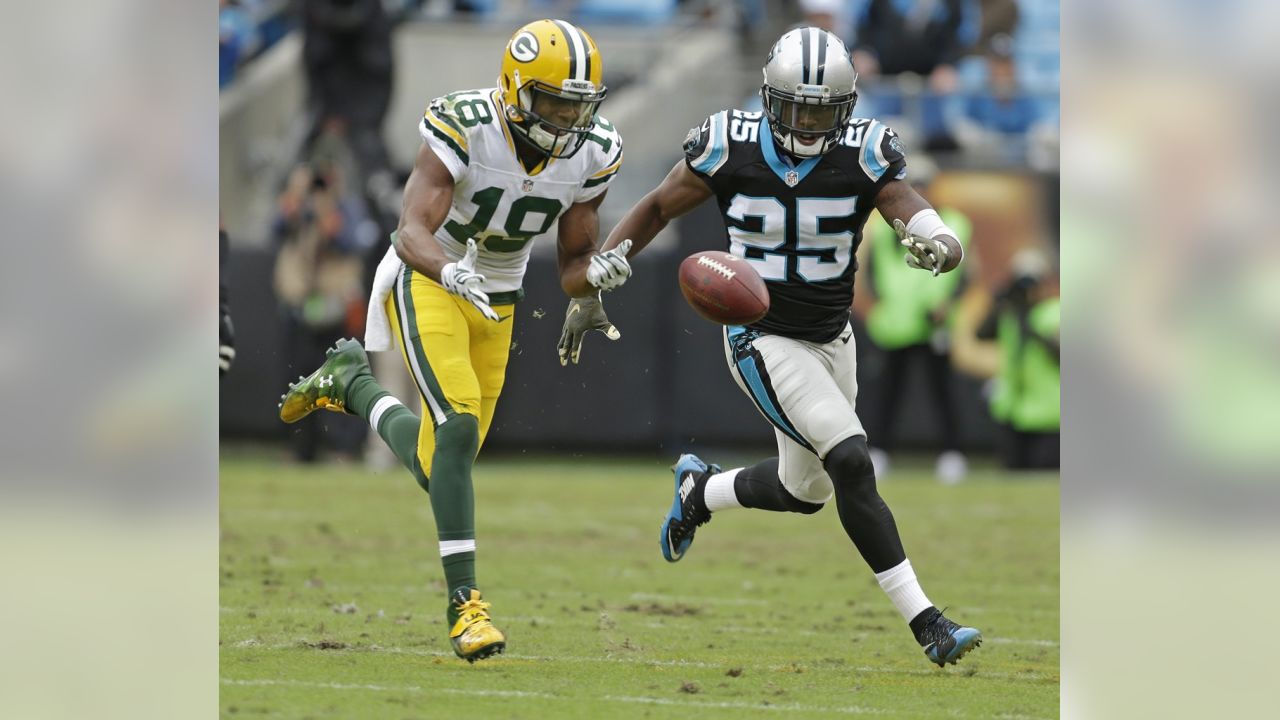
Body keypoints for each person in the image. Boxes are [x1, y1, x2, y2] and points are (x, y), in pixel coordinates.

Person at [560, 27, 981, 668]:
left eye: (822, 110)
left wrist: (939, 238)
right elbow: (656, 206)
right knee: (852, 461)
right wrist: (602, 270)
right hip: (761, 337)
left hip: (832, 339)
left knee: (805, 491)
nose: (808, 123)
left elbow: (905, 202)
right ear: (768, 97)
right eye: (796, 107)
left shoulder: (864, 151)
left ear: (845, 109)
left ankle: (699, 493)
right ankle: (928, 623)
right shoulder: (730, 144)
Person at [277, 19, 629, 662]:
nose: (567, 116)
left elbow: (573, 259)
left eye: (578, 103)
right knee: (459, 428)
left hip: (500, 296)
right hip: (429, 275)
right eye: (554, 101)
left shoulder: (593, 148)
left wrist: (592, 282)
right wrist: (449, 269)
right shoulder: (466, 123)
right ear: (516, 89)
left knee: (446, 463)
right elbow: (410, 229)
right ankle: (466, 607)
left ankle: (352, 385)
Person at [852, 156, 972, 484]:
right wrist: (882, 305)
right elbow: (875, 273)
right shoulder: (883, 228)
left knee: (943, 392)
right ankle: (878, 451)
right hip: (894, 324)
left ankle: (952, 454)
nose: (918, 189)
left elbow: (965, 274)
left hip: (934, 323)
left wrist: (947, 303)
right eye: (912, 184)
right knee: (886, 393)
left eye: (923, 184)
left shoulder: (954, 223)